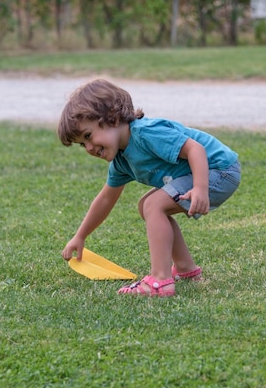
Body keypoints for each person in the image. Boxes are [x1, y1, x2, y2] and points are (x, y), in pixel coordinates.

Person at [57, 78, 241, 297]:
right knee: (146, 205)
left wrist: (200, 188)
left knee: (154, 205)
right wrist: (80, 236)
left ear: (113, 118)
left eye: (88, 136)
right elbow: (106, 199)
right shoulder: (122, 160)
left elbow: (195, 149)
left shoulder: (146, 133)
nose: (88, 147)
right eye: (82, 144)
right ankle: (185, 269)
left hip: (219, 170)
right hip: (207, 173)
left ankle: (160, 280)